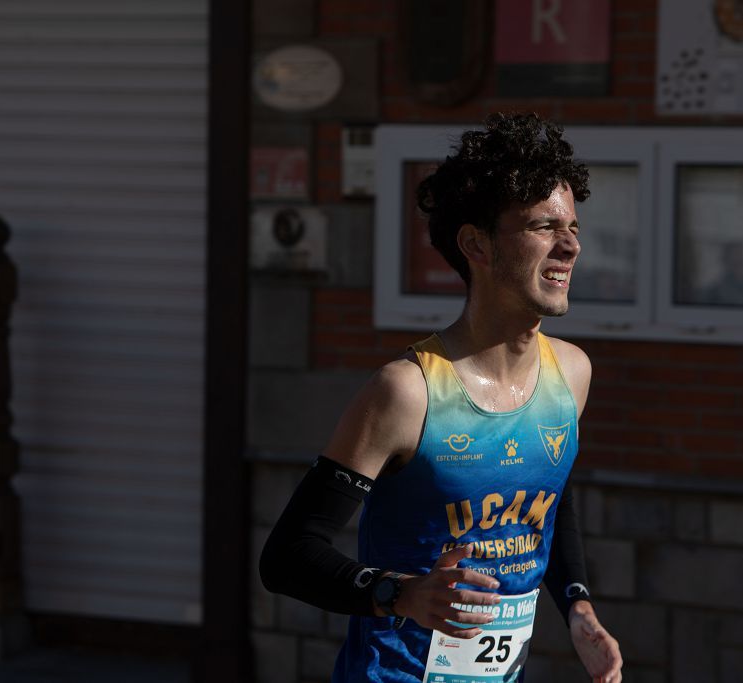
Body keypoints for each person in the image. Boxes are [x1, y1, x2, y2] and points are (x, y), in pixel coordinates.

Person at [260, 112, 623, 683]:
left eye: (572, 226)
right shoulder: (407, 391)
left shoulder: (572, 373)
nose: (570, 245)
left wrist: (577, 605)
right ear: (476, 244)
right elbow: (287, 555)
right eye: (542, 227)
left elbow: (549, 497)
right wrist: (397, 593)